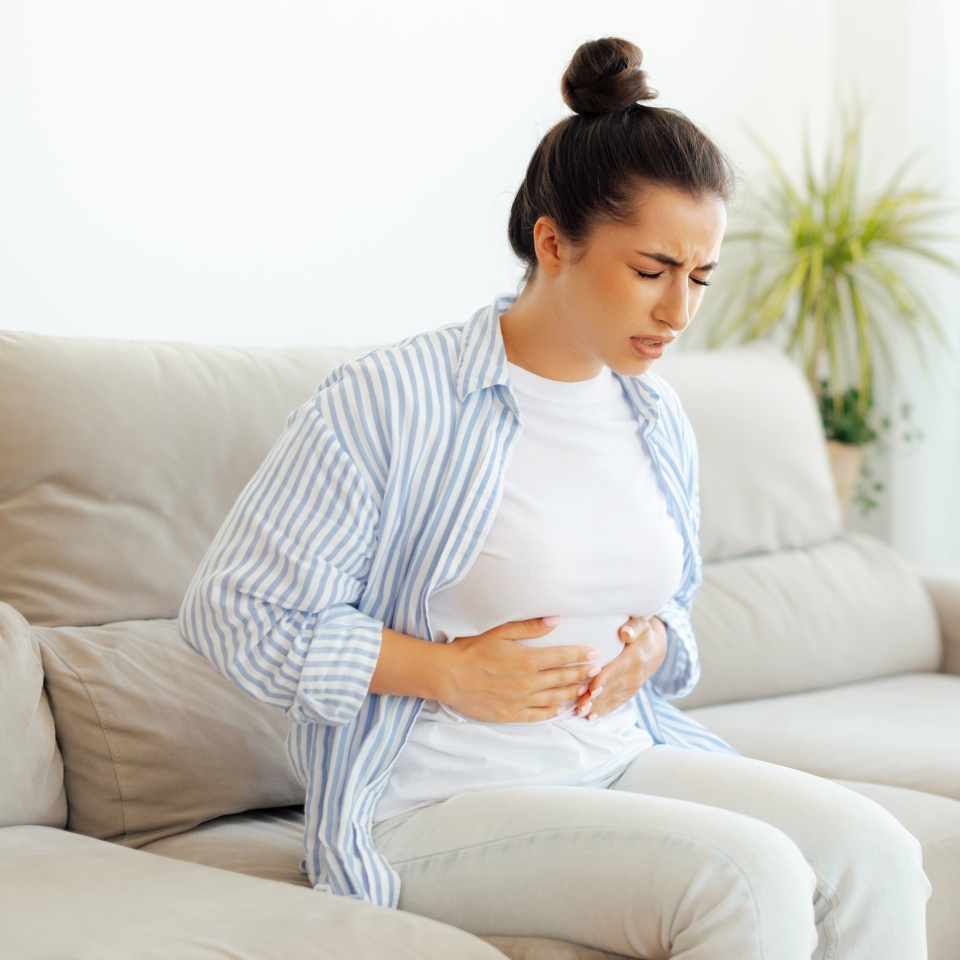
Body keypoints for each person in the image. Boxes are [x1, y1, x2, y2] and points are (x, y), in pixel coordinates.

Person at [180, 37, 930, 959]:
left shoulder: (655, 415)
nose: (679, 311)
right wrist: (444, 671)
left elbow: (672, 606)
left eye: (700, 277)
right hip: (433, 802)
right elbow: (233, 611)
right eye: (651, 270)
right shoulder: (392, 401)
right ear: (553, 244)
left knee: (878, 857)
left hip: (618, 755)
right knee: (751, 878)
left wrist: (654, 644)